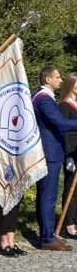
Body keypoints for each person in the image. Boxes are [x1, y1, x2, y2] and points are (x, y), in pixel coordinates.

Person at [32, 66, 77, 251]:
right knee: (48, 195)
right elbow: (60, 123)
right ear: (48, 79)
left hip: (51, 151)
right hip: (49, 152)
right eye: (57, 77)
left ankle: (47, 233)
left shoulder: (46, 99)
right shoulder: (44, 99)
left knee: (46, 194)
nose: (60, 80)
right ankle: (48, 237)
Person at [58, 72, 77, 239]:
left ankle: (74, 222)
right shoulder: (64, 106)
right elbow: (64, 132)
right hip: (71, 152)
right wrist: (68, 156)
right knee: (71, 187)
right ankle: (69, 225)